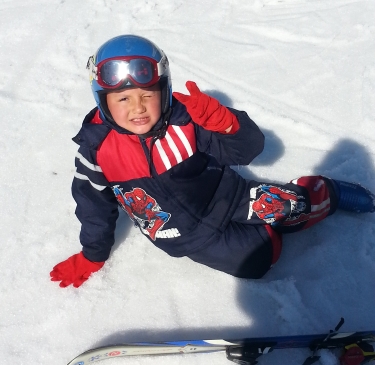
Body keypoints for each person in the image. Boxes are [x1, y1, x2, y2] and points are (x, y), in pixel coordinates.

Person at [50, 35, 375, 288]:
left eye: (147, 95)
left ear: (164, 90)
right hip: (189, 237)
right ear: (103, 101)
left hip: (232, 197)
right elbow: (93, 208)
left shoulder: (185, 120)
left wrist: (227, 124)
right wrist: (93, 255)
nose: (138, 108)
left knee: (295, 209)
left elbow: (247, 151)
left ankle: (321, 192)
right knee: (260, 262)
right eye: (123, 99)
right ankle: (265, 234)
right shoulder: (98, 152)